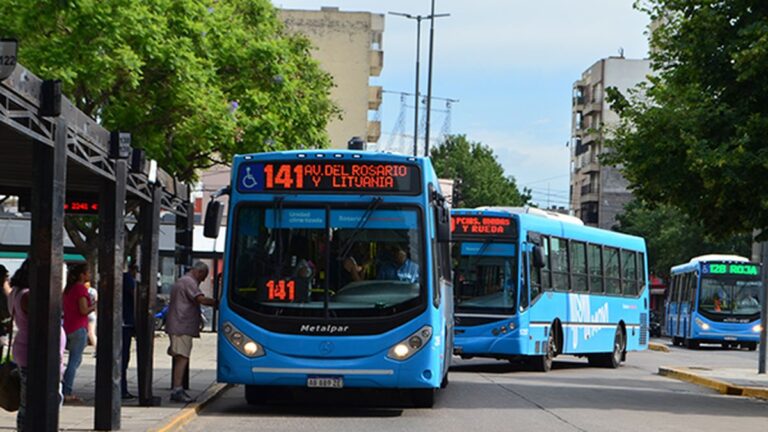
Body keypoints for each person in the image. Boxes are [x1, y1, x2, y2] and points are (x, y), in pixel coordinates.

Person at [8, 260, 66, 430]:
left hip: (27, 349)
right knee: (35, 401)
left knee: (30, 399)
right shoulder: (28, 295)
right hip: (33, 352)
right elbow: (45, 320)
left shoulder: (17, 292)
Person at [166, 261, 217, 403]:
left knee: (181, 357)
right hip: (182, 325)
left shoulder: (183, 281)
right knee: (182, 357)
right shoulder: (189, 282)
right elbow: (200, 299)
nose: (203, 280)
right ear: (199, 272)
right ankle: (177, 389)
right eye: (203, 277)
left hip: (180, 325)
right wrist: (218, 303)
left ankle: (177, 387)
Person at [62, 263, 95, 404]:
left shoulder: (68, 289)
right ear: (82, 275)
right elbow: (83, 310)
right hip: (79, 328)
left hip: (68, 326)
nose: (90, 275)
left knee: (74, 360)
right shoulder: (80, 289)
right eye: (88, 272)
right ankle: (66, 391)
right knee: (74, 362)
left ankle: (64, 387)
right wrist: (95, 305)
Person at [121, 263, 139, 400]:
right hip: (125, 323)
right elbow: (135, 296)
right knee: (123, 357)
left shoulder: (122, 279)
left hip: (124, 322)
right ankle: (122, 389)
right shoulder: (127, 279)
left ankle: (122, 388)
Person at [86, 281, 98, 348]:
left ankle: (97, 348)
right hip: (92, 312)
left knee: (90, 333)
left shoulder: (82, 290)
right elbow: (96, 301)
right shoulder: (93, 291)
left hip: (87, 312)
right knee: (91, 332)